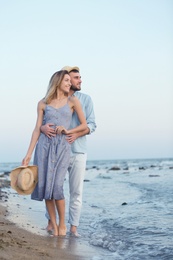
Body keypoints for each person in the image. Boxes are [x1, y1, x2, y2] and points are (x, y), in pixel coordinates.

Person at [22, 70, 87, 237]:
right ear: (58, 82)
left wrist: (67, 130)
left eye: (69, 81)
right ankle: (55, 226)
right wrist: (28, 154)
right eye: (66, 80)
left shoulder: (73, 101)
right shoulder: (43, 103)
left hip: (62, 147)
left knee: (57, 187)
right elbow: (37, 129)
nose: (69, 83)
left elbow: (84, 125)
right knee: (46, 187)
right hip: (44, 147)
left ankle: (63, 224)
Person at [41, 66, 96, 237]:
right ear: (66, 79)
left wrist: (74, 133)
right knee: (53, 186)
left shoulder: (85, 99)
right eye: (76, 77)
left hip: (78, 150)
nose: (79, 80)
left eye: (80, 77)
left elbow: (91, 125)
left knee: (76, 191)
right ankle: (51, 221)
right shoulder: (51, 99)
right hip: (56, 150)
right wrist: (43, 127)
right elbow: (44, 121)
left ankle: (73, 226)